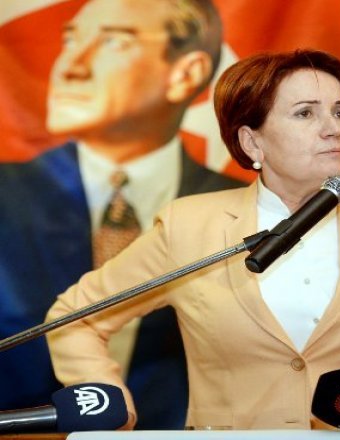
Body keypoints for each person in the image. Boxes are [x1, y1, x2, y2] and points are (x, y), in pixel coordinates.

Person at [45, 49, 340, 430]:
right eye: (305, 113)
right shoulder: (190, 227)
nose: (334, 127)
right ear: (252, 142)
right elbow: (74, 318)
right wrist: (108, 409)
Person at [0, 0, 242, 429]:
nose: (69, 66)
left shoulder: (246, 213)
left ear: (186, 73)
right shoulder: (7, 195)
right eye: (70, 40)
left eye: (113, 41)